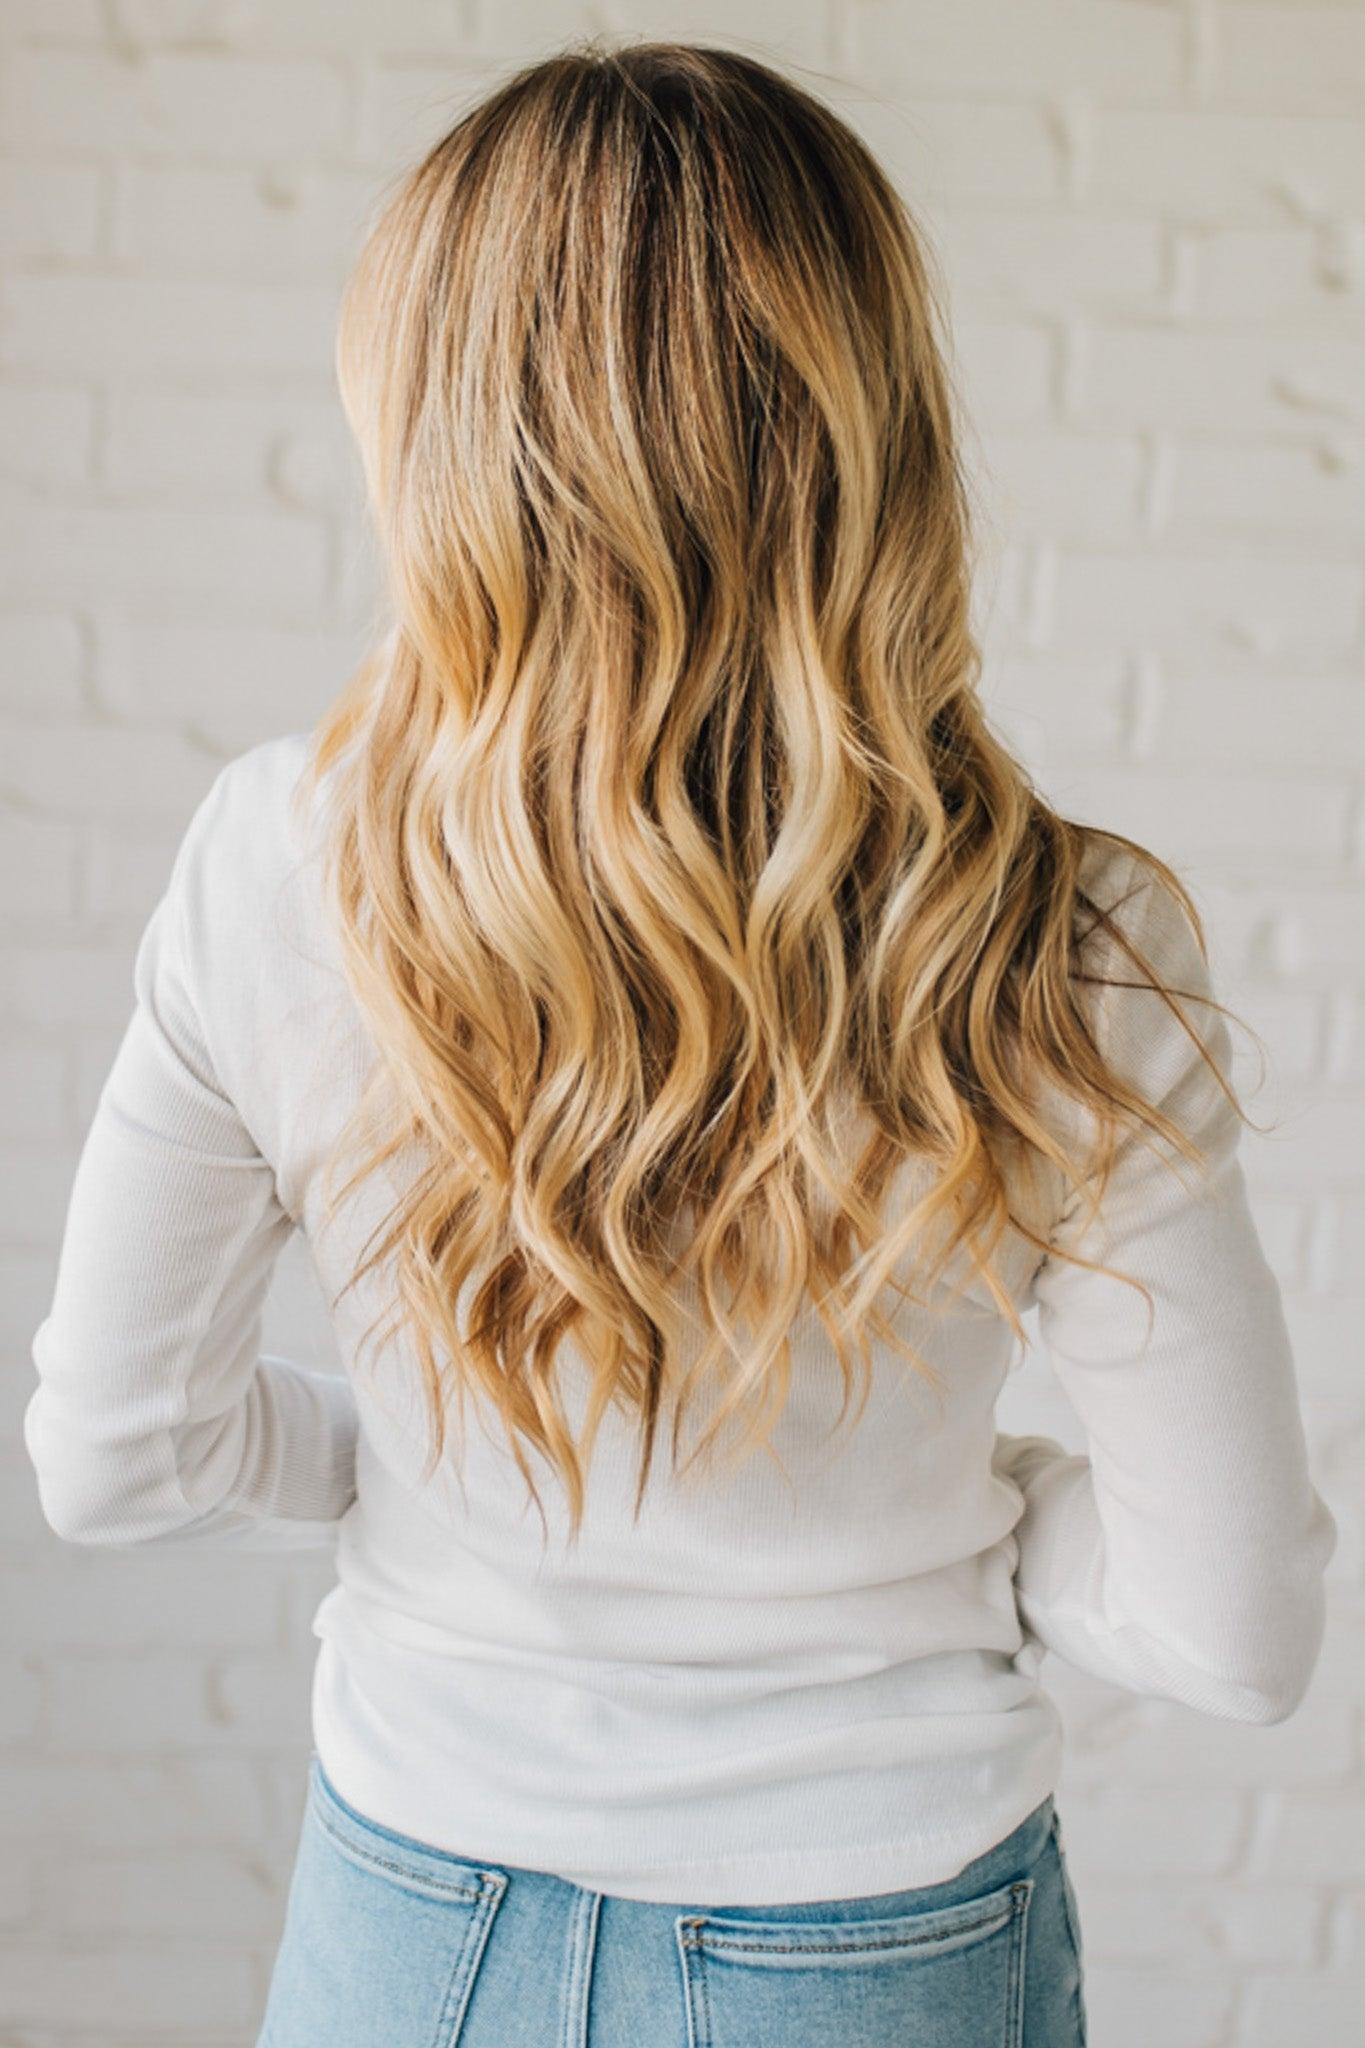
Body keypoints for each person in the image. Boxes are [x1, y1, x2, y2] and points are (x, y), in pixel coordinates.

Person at [24, 39, 1336, 2048]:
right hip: (883, 1944)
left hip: (411, 1938)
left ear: (438, 439)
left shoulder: (273, 861)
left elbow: (115, 1459)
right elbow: (1226, 1628)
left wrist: (426, 1479)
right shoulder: (1065, 937)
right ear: (872, 426)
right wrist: (938, 1523)